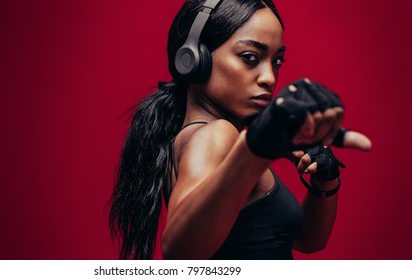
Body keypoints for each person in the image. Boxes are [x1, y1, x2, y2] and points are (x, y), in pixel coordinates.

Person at [109, 0, 371, 260]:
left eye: (277, 61)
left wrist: (325, 178)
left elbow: (306, 240)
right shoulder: (215, 135)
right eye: (250, 58)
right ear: (193, 59)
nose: (269, 77)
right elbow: (181, 253)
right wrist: (254, 149)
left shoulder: (210, 138)